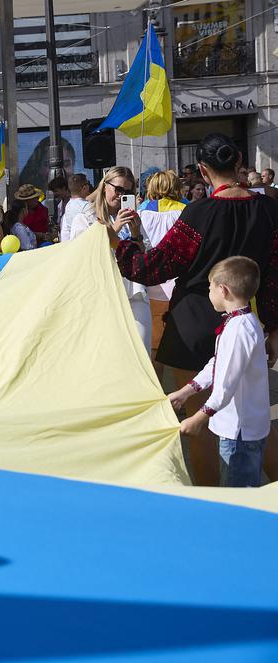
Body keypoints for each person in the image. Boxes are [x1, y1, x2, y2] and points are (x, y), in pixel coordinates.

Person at [113, 134, 278, 486]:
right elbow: (274, 276)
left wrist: (124, 244)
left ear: (203, 170)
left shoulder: (200, 213)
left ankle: (212, 500)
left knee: (200, 427)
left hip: (193, 323)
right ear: (238, 162)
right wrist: (274, 327)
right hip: (244, 320)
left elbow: (152, 269)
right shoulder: (269, 209)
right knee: (254, 417)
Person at [167, 257, 269, 487]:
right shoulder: (242, 322)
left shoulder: (238, 330)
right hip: (242, 428)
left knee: (238, 493)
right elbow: (218, 363)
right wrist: (186, 391)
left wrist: (198, 418)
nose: (209, 292)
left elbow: (225, 387)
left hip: (239, 432)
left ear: (223, 290)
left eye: (210, 287)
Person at [68, 166, 151, 353]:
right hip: (101, 295)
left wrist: (136, 233)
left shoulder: (133, 219)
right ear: (104, 186)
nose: (121, 196)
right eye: (118, 189)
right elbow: (82, 256)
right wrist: (115, 228)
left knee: (142, 352)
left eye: (127, 192)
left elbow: (145, 256)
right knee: (108, 354)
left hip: (134, 293)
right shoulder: (85, 219)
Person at [137, 171, 186, 361]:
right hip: (180, 287)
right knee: (180, 348)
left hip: (151, 285)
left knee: (154, 347)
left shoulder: (141, 212)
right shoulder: (187, 210)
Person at [60, 174, 91, 242]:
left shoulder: (68, 206)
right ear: (84, 188)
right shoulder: (87, 206)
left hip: (72, 243)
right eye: (88, 183)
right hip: (86, 243)